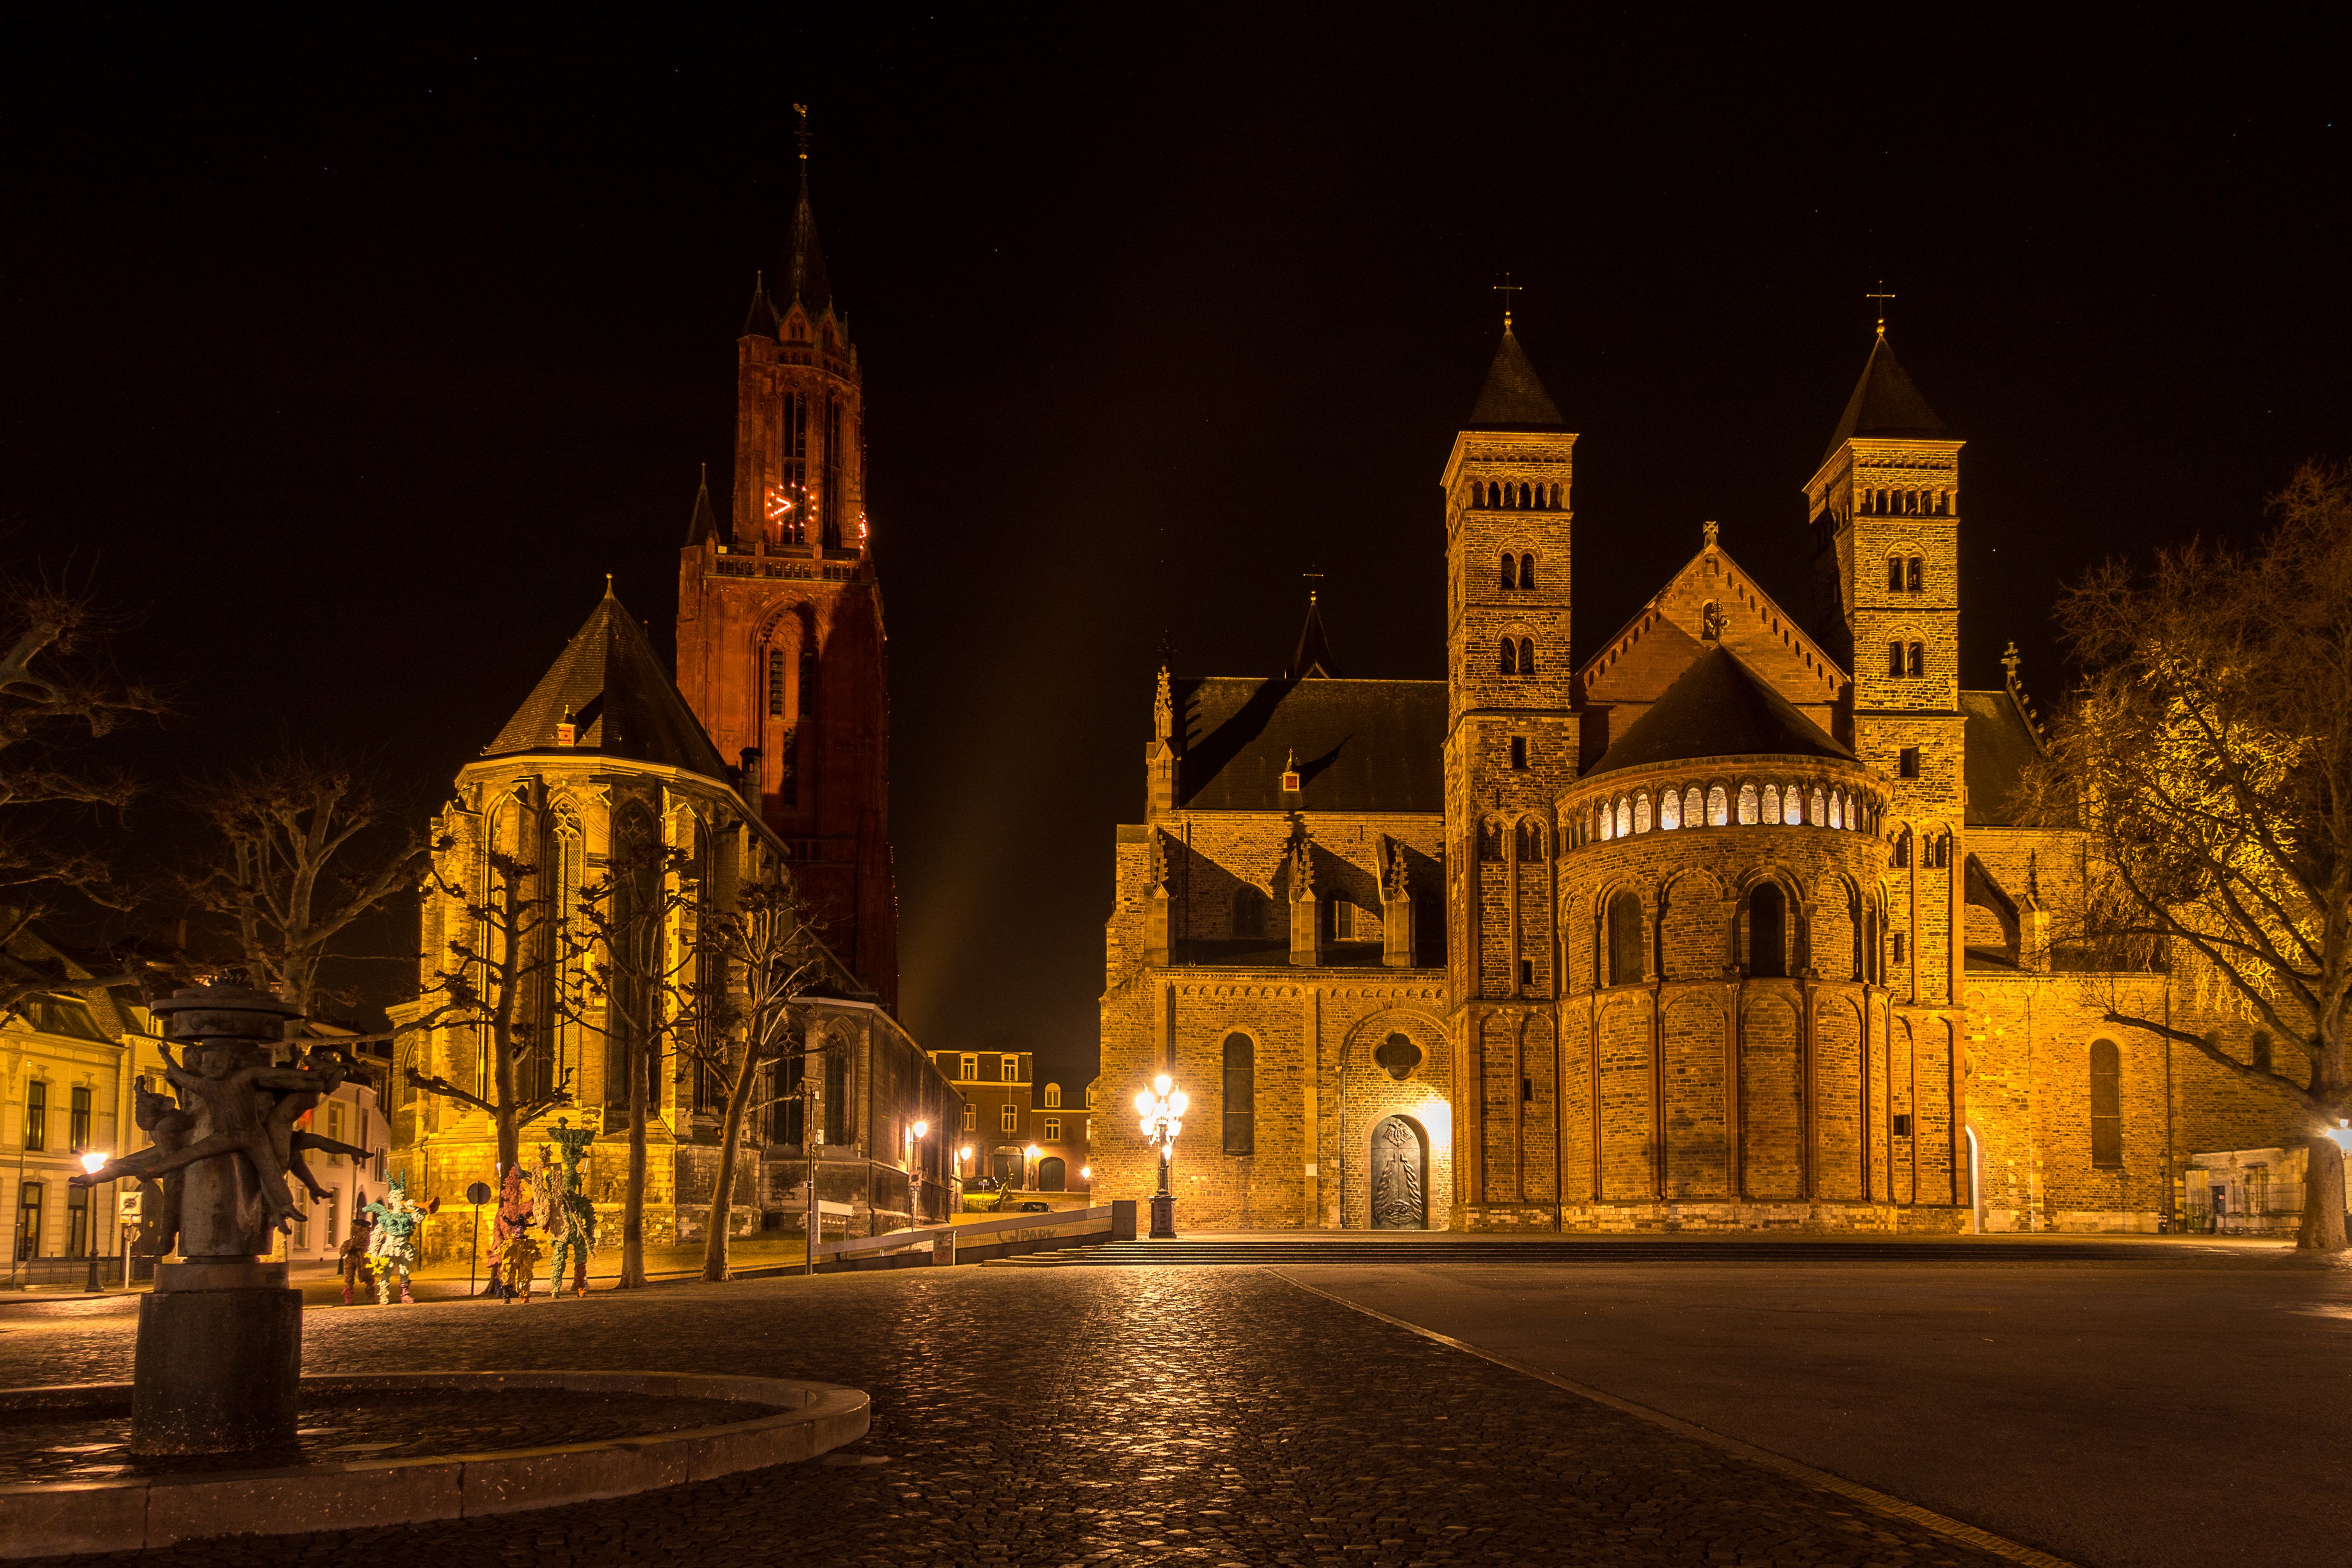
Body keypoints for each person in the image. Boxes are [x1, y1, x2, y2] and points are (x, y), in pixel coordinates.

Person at [339, 1204, 377, 1306]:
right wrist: (348, 1248)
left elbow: (365, 1244)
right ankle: (349, 1297)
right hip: (352, 1258)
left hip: (363, 1257)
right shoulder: (352, 1240)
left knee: (368, 1277)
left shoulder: (366, 1234)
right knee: (349, 1278)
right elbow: (344, 1251)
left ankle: (370, 1297)